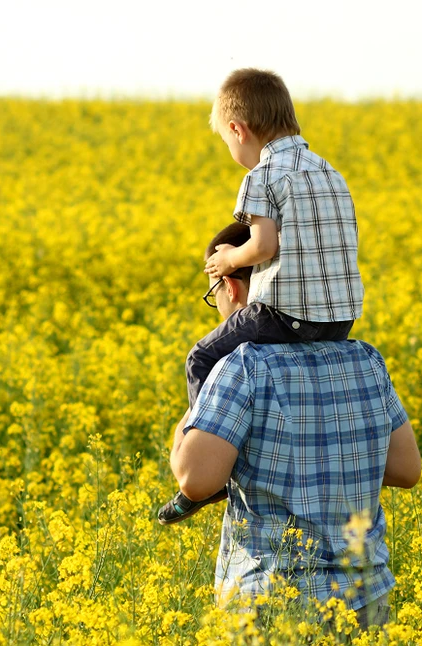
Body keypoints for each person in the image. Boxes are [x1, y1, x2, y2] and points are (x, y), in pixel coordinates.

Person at [167, 225, 422, 631]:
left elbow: (195, 481)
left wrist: (194, 417)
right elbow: (407, 470)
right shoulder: (365, 361)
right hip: (364, 599)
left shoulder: (243, 366)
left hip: (276, 606)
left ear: (230, 286)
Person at [165, 68, 366, 524]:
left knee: (201, 357)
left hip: (285, 315)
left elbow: (264, 246)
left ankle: (214, 456)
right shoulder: (330, 173)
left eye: (226, 140)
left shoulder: (263, 175)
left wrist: (228, 261)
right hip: (339, 321)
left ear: (238, 129)